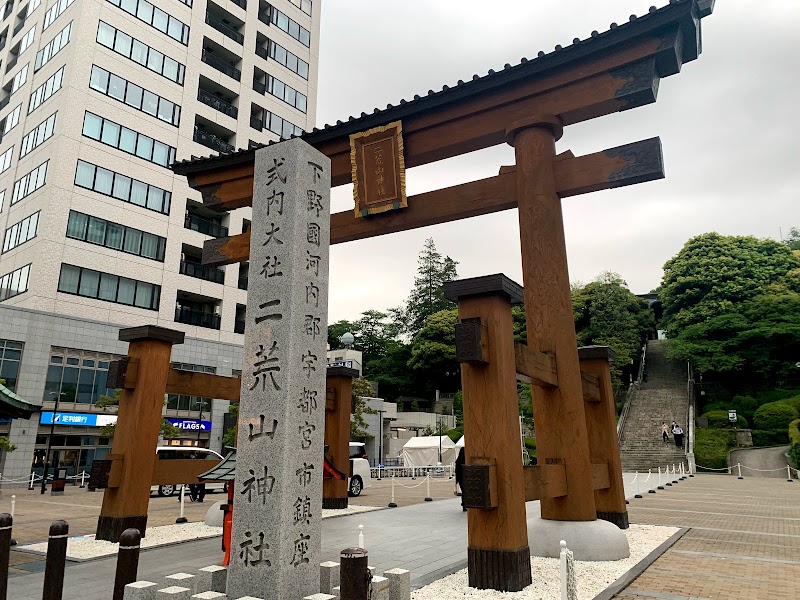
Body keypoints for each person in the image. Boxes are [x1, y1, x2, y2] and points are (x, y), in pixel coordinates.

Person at [455, 446, 466, 511]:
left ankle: (464, 504)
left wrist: (457, 479)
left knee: (463, 491)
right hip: (466, 477)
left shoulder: (458, 460)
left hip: (460, 478)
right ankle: (465, 503)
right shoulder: (465, 460)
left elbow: (456, 471)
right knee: (466, 491)